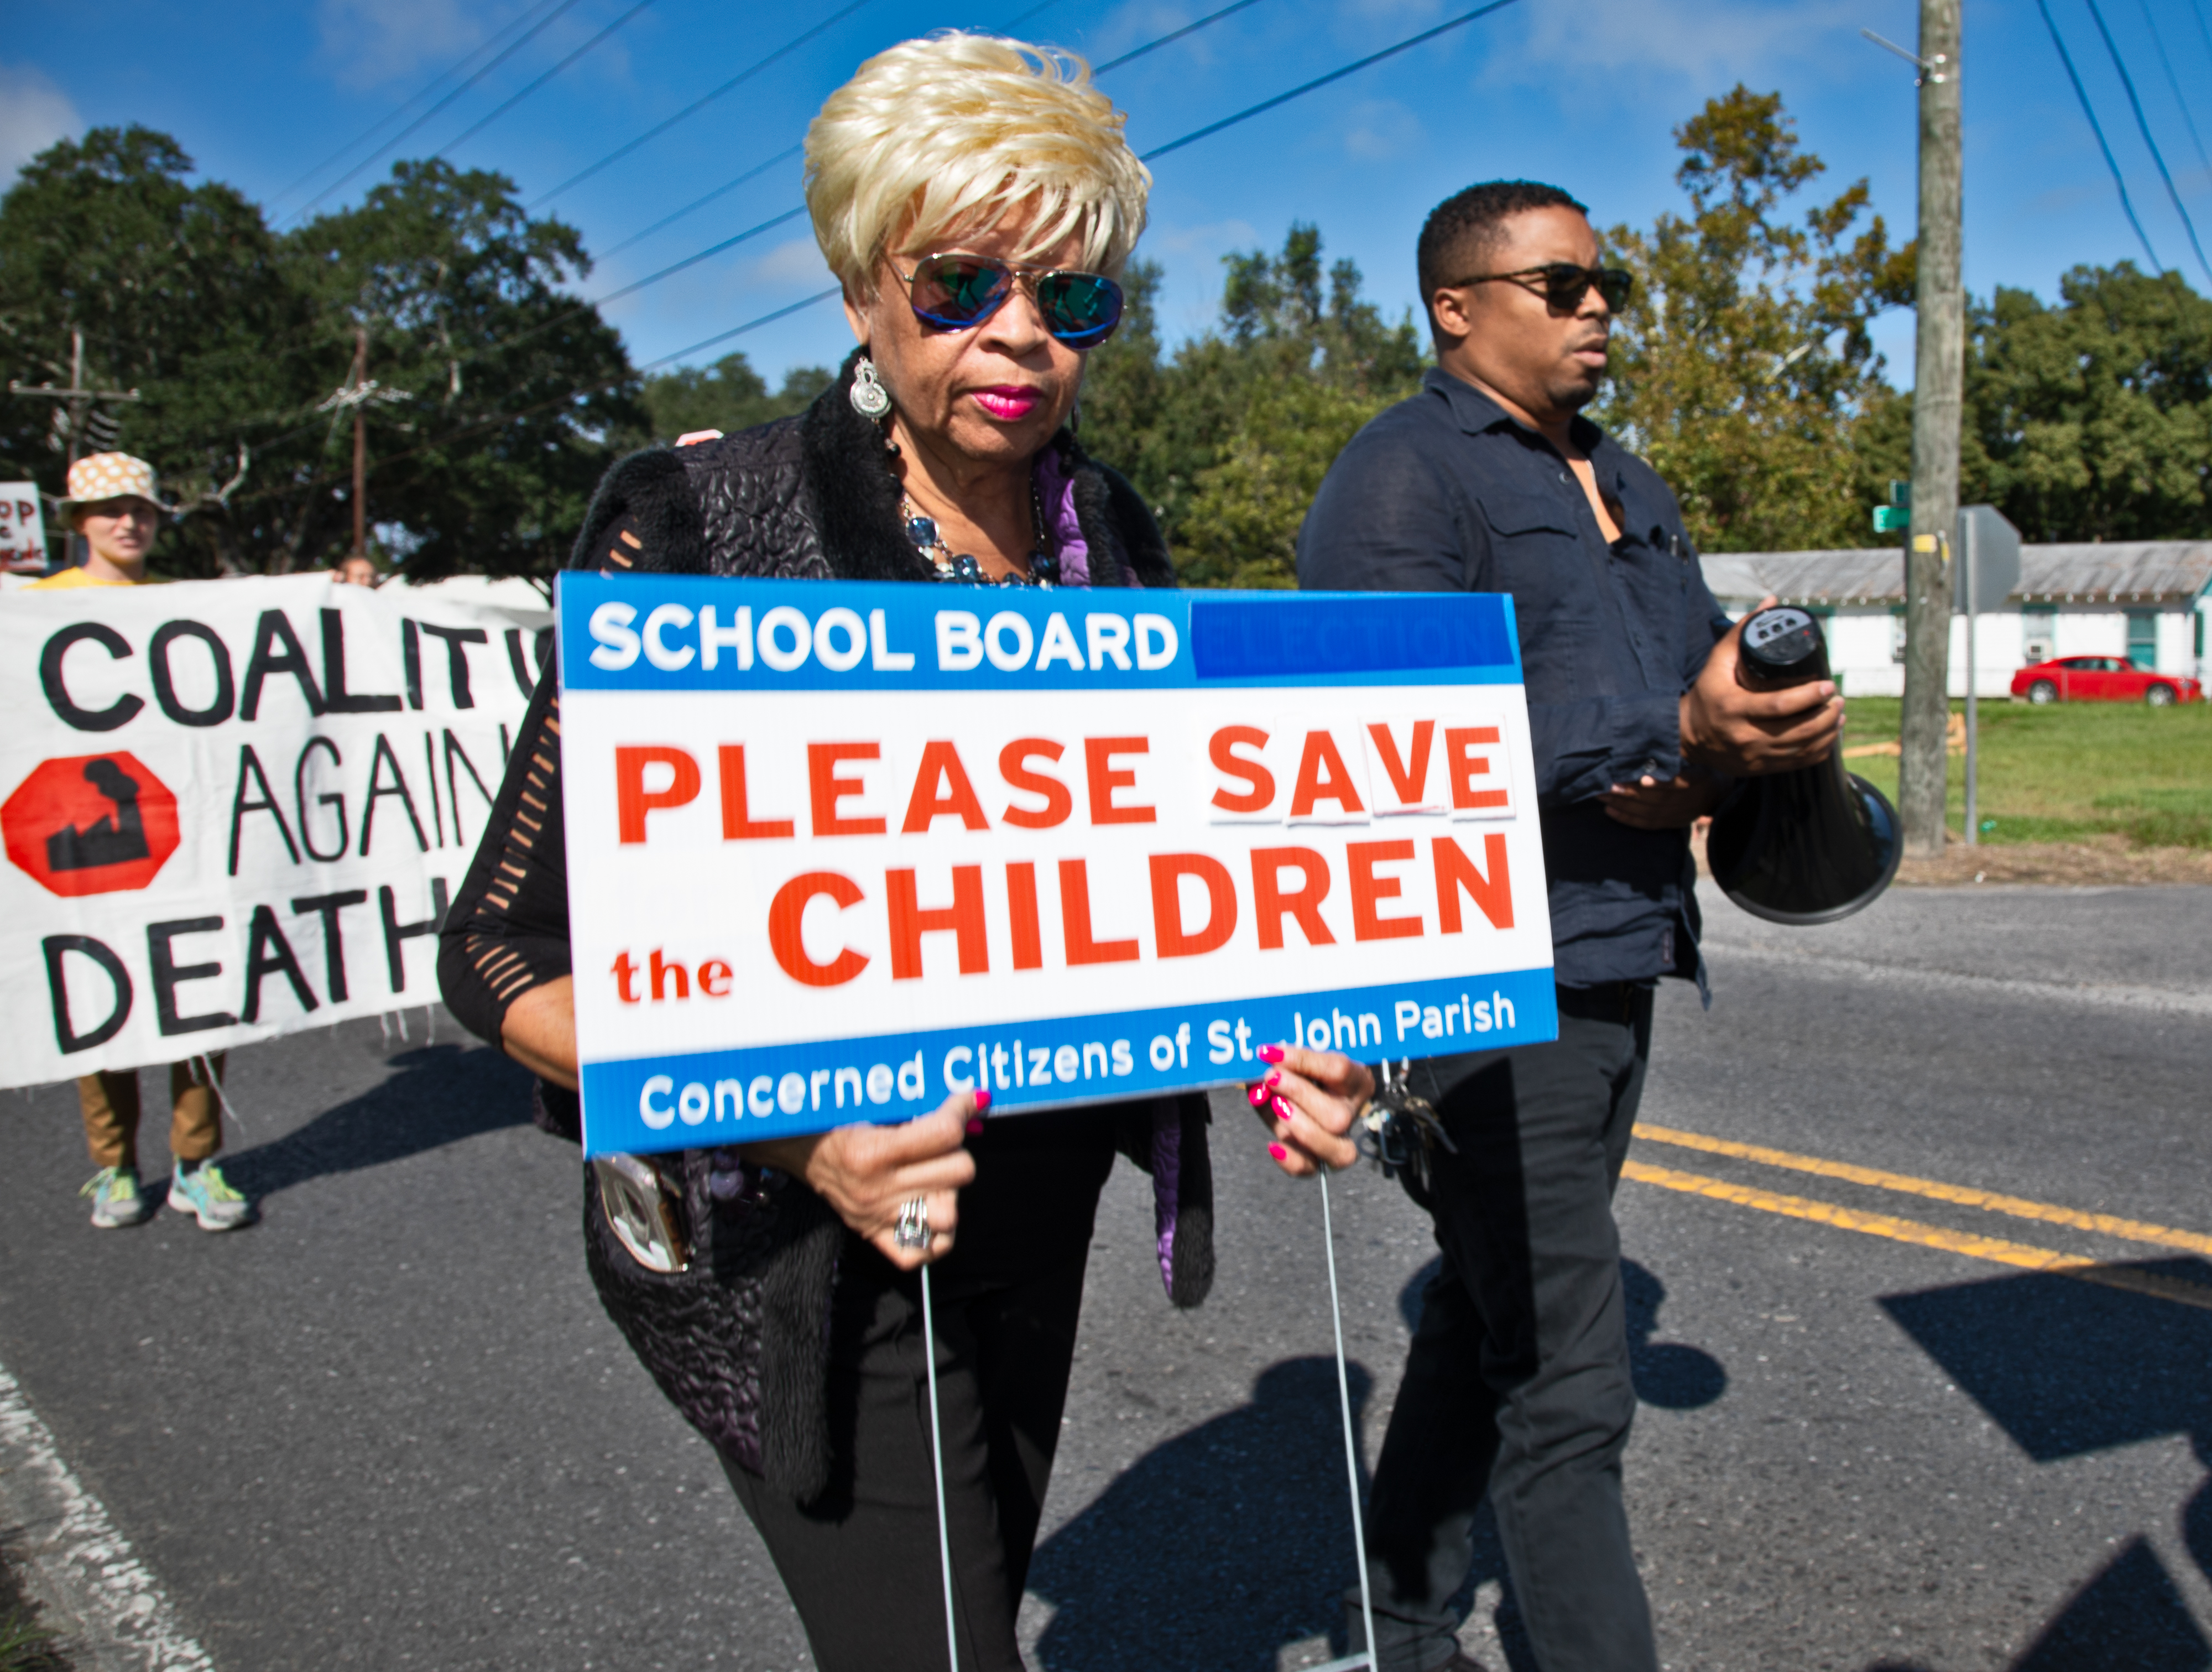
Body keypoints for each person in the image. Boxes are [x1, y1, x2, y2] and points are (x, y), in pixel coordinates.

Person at [437, 35, 1213, 1672]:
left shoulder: (1115, 538)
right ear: (864, 283)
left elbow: (1173, 884)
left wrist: (1290, 1037)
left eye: (1073, 299)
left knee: (970, 1609)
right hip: (788, 1235)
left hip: (1034, 1201)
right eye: (963, 283)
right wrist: (811, 1140)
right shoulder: (705, 525)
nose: (1020, 334)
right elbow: (499, 952)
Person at [1277, 181, 1845, 1671]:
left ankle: (1390, 1629)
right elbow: (1374, 738)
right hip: (1483, 972)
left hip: (1621, 951)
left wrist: (1750, 727)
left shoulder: (1634, 481)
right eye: (1565, 284)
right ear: (1457, 308)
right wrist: (1666, 725)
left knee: (1487, 1316)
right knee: (1573, 1382)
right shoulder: (1402, 477)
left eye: (1609, 286)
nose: (1600, 309)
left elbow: (1686, 687)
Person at [28, 452, 252, 1232]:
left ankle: (198, 1163)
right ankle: (114, 1165)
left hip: (182, 840)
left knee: (196, 998)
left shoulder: (182, 606)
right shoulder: (32, 607)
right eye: (111, 510)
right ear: (79, 523)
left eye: (144, 510)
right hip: (83, 843)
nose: (129, 522)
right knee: (102, 997)